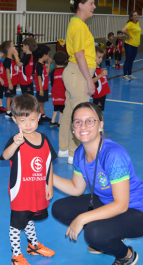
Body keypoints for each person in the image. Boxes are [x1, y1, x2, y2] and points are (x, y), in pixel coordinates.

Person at [52, 102, 143, 265]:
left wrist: (82, 218)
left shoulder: (113, 155)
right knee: (60, 208)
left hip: (141, 212)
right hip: (110, 201)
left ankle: (126, 256)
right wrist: (48, 176)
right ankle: (109, 235)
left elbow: (122, 204)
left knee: (93, 232)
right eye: (77, 122)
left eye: (89, 121)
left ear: (101, 125)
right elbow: (76, 188)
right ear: (72, 127)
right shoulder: (80, 152)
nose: (83, 126)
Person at [0, 94, 57, 265]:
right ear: (15, 120)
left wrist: (49, 185)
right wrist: (15, 144)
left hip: (38, 189)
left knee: (30, 217)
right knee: (17, 223)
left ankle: (33, 245)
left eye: (32, 119)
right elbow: (6, 156)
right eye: (23, 120)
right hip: (20, 191)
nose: (28, 124)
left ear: (39, 116)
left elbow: (49, 163)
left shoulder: (44, 139)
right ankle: (16, 255)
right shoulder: (16, 140)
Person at [58, 0, 96, 165]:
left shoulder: (75, 22)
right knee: (81, 116)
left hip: (73, 72)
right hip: (79, 73)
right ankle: (74, 154)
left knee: (68, 113)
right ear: (81, 5)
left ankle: (64, 149)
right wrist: (90, 80)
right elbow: (80, 55)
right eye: (91, 3)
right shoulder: (79, 25)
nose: (94, 7)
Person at [34, 43, 52, 124]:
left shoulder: (43, 64)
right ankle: (36, 117)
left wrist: (49, 64)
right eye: (47, 55)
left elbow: (46, 73)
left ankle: (43, 115)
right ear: (44, 55)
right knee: (39, 102)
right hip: (41, 87)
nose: (48, 56)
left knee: (42, 102)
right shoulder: (38, 65)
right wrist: (40, 89)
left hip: (45, 86)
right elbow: (39, 77)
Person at [1, 40, 19, 119]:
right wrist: (10, 83)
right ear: (9, 50)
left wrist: (16, 81)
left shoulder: (13, 59)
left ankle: (11, 110)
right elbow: (7, 72)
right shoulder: (7, 61)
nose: (14, 47)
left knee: (12, 96)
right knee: (9, 97)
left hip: (14, 82)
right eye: (13, 46)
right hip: (9, 82)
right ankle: (8, 112)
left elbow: (14, 71)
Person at [122, 11, 141, 81]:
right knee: (128, 60)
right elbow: (123, 30)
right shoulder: (130, 23)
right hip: (129, 44)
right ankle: (125, 76)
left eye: (137, 15)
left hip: (135, 45)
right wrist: (128, 35)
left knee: (132, 60)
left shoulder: (137, 23)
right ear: (131, 17)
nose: (136, 16)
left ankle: (129, 74)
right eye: (134, 15)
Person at [49, 51, 67, 128]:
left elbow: (52, 82)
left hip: (55, 91)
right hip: (63, 91)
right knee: (62, 108)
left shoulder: (53, 71)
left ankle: (52, 121)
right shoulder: (66, 71)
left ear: (54, 61)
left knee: (56, 107)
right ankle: (59, 123)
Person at [92, 47, 111, 111]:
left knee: (99, 110)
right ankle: (98, 121)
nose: (101, 59)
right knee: (97, 111)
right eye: (99, 57)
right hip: (98, 95)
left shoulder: (98, 66)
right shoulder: (92, 69)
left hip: (103, 94)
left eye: (102, 57)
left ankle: (98, 120)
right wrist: (101, 75)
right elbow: (91, 81)